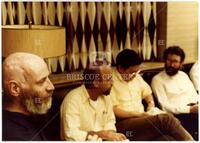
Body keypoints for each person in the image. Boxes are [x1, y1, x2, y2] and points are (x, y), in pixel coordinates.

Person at [110, 48, 194, 141]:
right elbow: (114, 110)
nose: (134, 75)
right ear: (121, 68)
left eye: (136, 72)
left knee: (167, 139)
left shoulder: (136, 77)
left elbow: (147, 93)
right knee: (167, 120)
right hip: (123, 124)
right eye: (131, 72)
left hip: (142, 120)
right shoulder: (109, 81)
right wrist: (138, 115)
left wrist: (150, 104)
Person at [60, 62, 127, 141]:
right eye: (109, 79)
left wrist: (111, 136)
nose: (112, 83)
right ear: (96, 83)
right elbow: (71, 134)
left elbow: (110, 122)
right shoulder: (72, 100)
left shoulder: (106, 97)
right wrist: (101, 134)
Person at [2, 52, 55, 141]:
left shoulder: (31, 109)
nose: (51, 87)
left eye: (48, 77)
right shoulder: (18, 137)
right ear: (15, 88)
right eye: (41, 81)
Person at [151, 46, 198, 140]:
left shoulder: (184, 75)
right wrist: (189, 109)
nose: (171, 64)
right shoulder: (157, 79)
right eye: (169, 60)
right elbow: (164, 106)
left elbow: (195, 96)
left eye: (175, 61)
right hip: (178, 116)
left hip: (194, 110)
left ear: (181, 63)